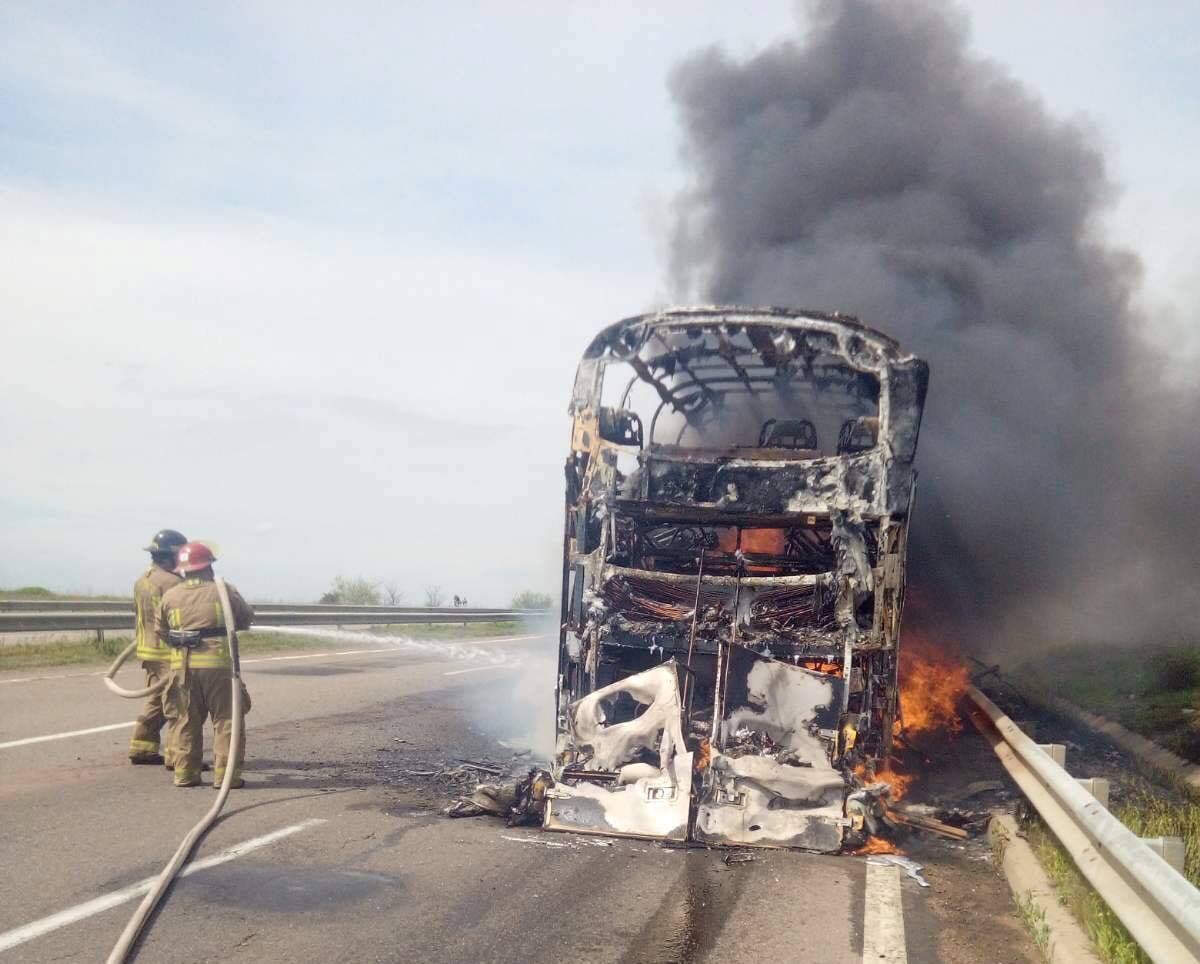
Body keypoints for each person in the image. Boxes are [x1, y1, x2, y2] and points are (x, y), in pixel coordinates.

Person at [157, 542, 254, 788]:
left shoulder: (170, 596)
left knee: (185, 720)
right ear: (208, 566)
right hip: (218, 667)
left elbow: (161, 630)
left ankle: (185, 774)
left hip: (182, 669)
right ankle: (226, 776)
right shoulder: (223, 591)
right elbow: (244, 619)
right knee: (226, 720)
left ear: (182, 569)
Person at [128, 529, 187, 765]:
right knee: (179, 704)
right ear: (172, 556)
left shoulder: (142, 581)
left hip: (148, 651)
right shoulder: (174, 583)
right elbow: (182, 617)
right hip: (168, 652)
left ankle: (142, 747)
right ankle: (178, 756)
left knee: (155, 701)